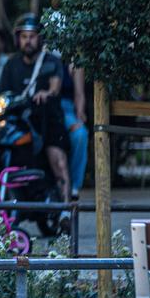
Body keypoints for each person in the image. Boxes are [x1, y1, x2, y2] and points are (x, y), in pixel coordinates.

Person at [0, 13, 73, 224]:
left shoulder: (51, 62)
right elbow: (1, 95)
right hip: (20, 123)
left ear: (40, 39)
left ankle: (66, 210)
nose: (28, 41)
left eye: (32, 36)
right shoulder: (11, 64)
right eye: (24, 36)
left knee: (58, 160)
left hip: (48, 120)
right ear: (17, 39)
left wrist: (46, 94)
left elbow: (55, 87)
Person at [60, 60, 88, 196]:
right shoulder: (41, 57)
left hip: (67, 109)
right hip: (46, 107)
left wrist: (79, 115)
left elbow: (79, 94)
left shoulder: (75, 63)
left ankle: (74, 186)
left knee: (80, 134)